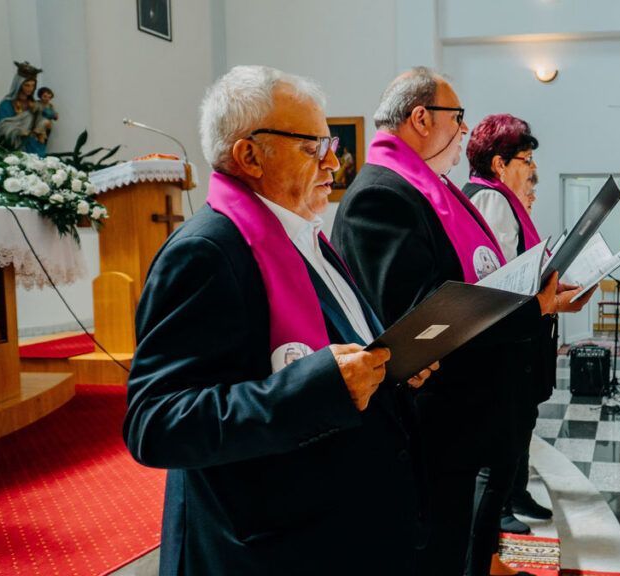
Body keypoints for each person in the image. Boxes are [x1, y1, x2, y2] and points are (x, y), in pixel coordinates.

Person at [122, 65, 435, 575]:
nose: (333, 160)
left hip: (341, 529)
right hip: (271, 548)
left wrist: (390, 366)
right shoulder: (206, 252)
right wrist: (318, 387)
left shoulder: (306, 235)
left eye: (329, 142)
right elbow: (156, 423)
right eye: (313, 147)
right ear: (250, 155)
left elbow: (342, 352)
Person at [332, 67, 586, 576]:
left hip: (456, 417)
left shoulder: (426, 189)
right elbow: (422, 314)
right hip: (429, 421)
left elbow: (470, 282)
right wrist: (534, 307)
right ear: (421, 118)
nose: (465, 130)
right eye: (458, 117)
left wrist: (540, 297)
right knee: (437, 551)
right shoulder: (382, 194)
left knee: (453, 542)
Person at [462, 114, 595, 567]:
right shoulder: (492, 200)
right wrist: (549, 298)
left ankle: (487, 556)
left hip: (508, 350)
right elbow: (504, 284)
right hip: (504, 355)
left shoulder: (490, 197)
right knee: (494, 470)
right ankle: (481, 562)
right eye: (526, 159)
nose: (532, 168)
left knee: (502, 463)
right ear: (500, 164)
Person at [0, 61, 43, 154]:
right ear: (19, 85)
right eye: (27, 85)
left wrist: (40, 129)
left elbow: (40, 122)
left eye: (33, 85)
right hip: (13, 147)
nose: (30, 89)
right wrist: (17, 132)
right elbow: (0, 125)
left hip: (31, 145)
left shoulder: (34, 104)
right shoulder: (7, 104)